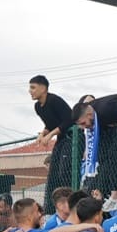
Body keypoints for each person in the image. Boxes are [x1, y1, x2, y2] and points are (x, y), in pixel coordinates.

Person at [30, 75, 73, 212]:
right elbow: (50, 124)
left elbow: (68, 121)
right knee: (53, 173)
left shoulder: (55, 100)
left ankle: (70, 204)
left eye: (33, 87)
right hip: (61, 139)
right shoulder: (38, 107)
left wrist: (50, 135)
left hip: (72, 138)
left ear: (43, 88)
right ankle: (50, 209)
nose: (30, 91)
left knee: (64, 172)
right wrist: (42, 134)